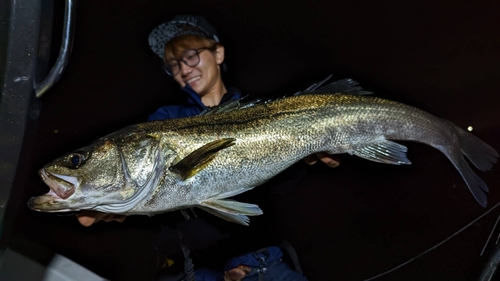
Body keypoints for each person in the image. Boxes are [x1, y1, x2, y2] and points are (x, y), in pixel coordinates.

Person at [76, 14, 340, 227]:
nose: (183, 69)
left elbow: (277, 192)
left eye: (191, 55)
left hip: (264, 259)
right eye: (173, 64)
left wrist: (306, 160)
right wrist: (116, 202)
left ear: (219, 53)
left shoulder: (260, 113)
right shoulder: (165, 121)